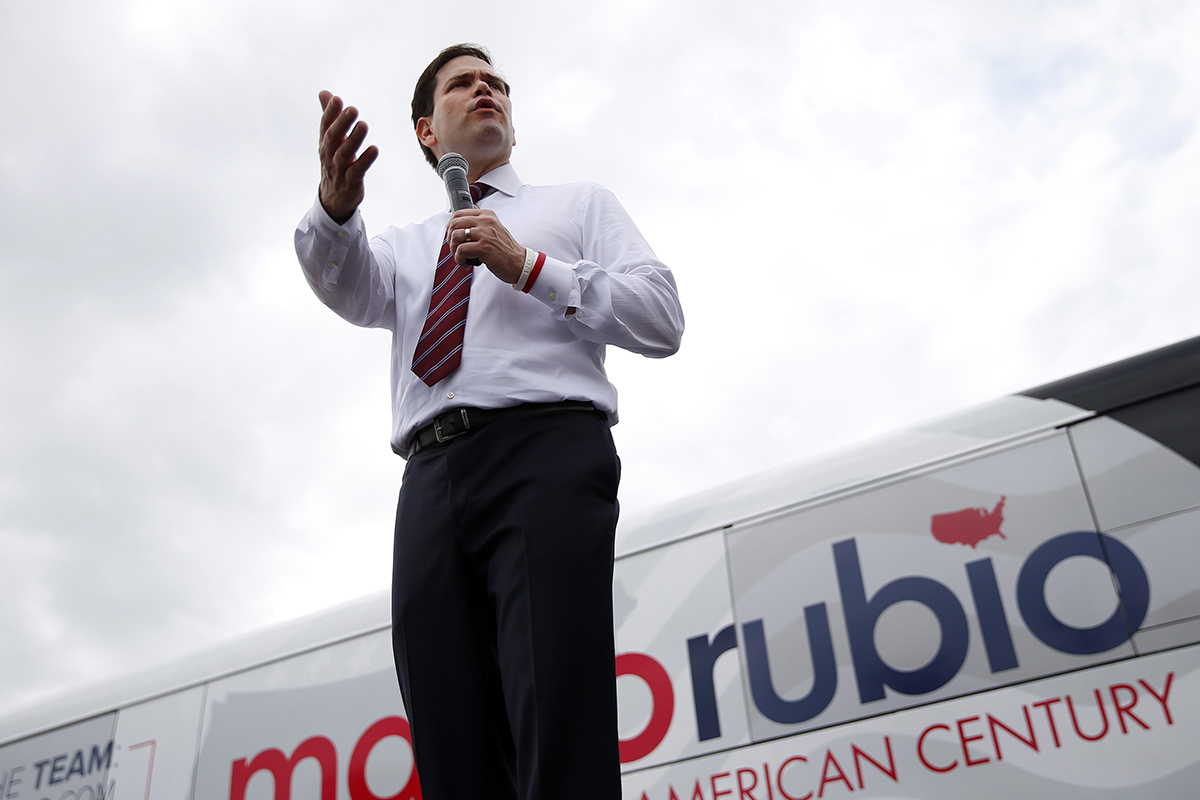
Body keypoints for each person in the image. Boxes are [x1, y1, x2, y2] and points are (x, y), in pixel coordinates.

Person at [294, 43, 683, 800]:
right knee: (449, 730)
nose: (487, 90)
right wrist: (335, 210)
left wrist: (527, 267)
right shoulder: (404, 244)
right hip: (430, 477)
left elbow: (662, 317)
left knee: (557, 707)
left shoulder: (578, 206)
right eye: (463, 84)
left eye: (496, 82)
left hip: (546, 454)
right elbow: (345, 285)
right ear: (426, 131)